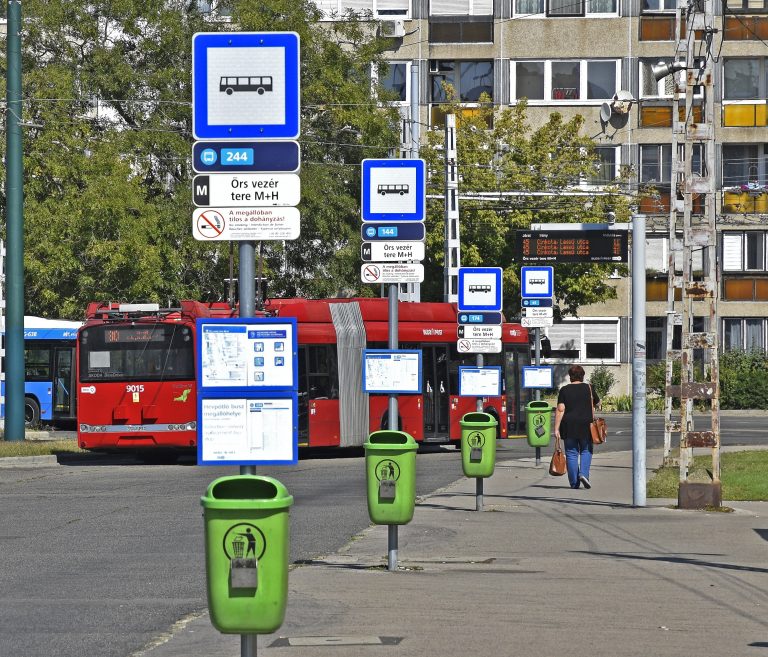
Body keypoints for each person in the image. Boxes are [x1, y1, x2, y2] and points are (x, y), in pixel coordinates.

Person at [553, 364, 600, 490]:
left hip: (569, 425)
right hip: (586, 425)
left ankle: (574, 483)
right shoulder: (589, 388)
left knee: (571, 453)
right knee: (586, 450)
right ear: (583, 376)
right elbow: (598, 403)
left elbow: (560, 409)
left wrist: (556, 428)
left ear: (570, 377)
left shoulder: (564, 390)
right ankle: (583, 474)